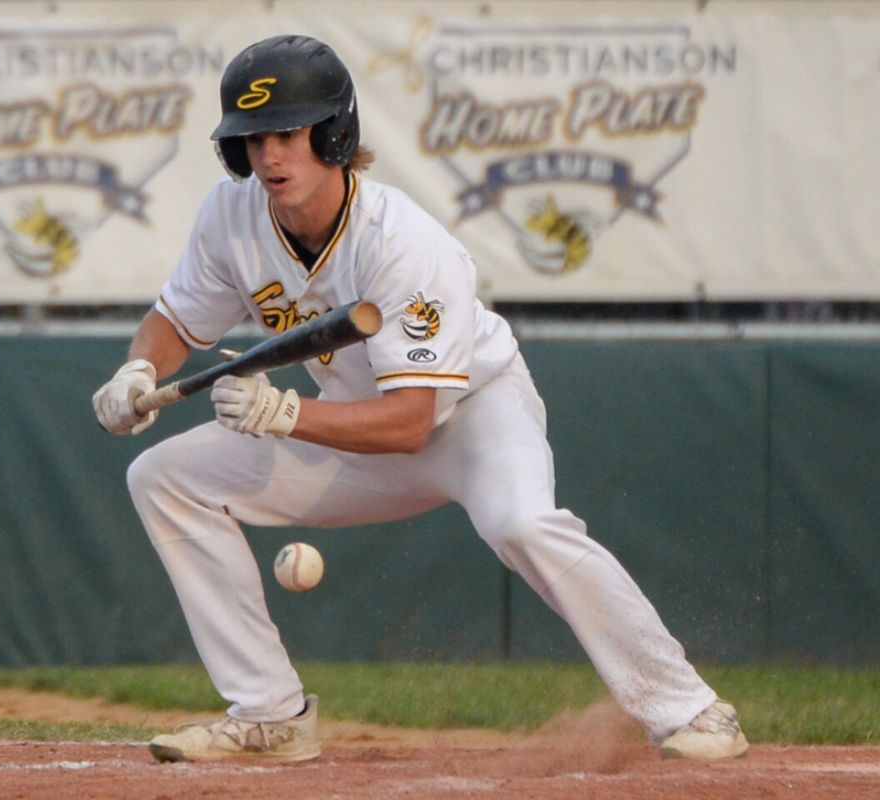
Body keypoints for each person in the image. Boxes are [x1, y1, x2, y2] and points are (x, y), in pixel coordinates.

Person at [92, 34, 748, 764]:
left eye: (287, 132)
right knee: (162, 477)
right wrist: (137, 374)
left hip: (471, 417)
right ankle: (270, 715)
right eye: (251, 138)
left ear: (334, 134)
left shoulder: (402, 241)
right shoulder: (231, 215)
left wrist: (285, 414)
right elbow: (176, 322)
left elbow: (412, 423)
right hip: (347, 426)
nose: (269, 155)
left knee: (522, 522)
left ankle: (690, 707)